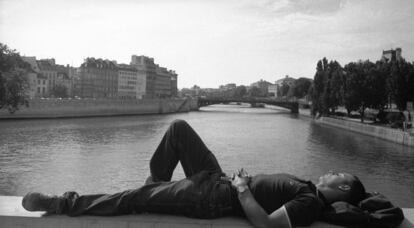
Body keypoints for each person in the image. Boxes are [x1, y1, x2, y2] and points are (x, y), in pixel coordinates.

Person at [22, 119, 366, 228]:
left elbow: (266, 225)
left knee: (134, 199)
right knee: (178, 129)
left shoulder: (309, 202)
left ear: (344, 187)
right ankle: (155, 188)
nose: (331, 171)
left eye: (338, 173)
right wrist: (239, 181)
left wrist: (243, 189)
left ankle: (63, 204)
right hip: (217, 179)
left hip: (214, 198)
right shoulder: (307, 188)